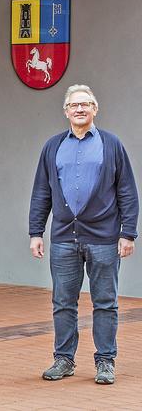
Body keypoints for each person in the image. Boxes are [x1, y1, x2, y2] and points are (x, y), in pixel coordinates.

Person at [29, 84, 139, 385]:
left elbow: (127, 191)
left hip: (104, 238)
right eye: (74, 105)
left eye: (86, 104)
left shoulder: (111, 144)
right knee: (63, 301)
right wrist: (36, 231)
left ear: (95, 109)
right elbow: (41, 192)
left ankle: (105, 361)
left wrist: (128, 233)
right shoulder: (52, 146)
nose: (80, 109)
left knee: (105, 302)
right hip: (64, 237)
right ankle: (63, 359)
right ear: (66, 111)